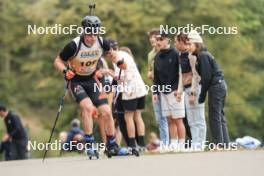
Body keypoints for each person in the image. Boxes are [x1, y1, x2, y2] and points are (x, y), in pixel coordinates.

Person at [53, 13, 125, 157]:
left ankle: (112, 146)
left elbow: (112, 53)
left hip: (92, 80)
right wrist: (65, 71)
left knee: (106, 111)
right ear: (84, 31)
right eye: (89, 34)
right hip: (77, 81)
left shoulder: (101, 42)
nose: (92, 38)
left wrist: (118, 60)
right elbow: (57, 61)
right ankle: (90, 144)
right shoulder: (74, 45)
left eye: (95, 34)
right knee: (86, 107)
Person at [187, 30, 230, 146]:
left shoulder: (203, 56)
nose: (188, 47)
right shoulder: (200, 55)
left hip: (216, 86)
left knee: (214, 116)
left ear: (197, 44)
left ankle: (219, 144)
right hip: (220, 86)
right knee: (219, 115)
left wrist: (202, 95)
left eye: (190, 44)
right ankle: (225, 144)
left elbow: (206, 78)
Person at [106, 39, 147, 154]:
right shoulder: (124, 53)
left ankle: (133, 146)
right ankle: (142, 145)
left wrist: (108, 72)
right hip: (140, 88)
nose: (108, 56)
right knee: (138, 116)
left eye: (107, 53)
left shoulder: (117, 59)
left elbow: (121, 77)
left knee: (128, 117)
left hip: (130, 90)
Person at [153, 32, 186, 150]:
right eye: (157, 40)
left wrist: (179, 89)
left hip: (175, 91)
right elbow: (155, 77)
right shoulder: (157, 57)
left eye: (161, 39)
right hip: (163, 92)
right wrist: (155, 92)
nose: (158, 42)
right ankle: (173, 144)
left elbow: (181, 73)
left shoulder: (176, 53)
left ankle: (182, 144)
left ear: (167, 40)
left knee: (178, 119)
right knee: (169, 119)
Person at [175, 32, 206, 150]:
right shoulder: (180, 55)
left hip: (196, 88)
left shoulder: (192, 56)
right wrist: (179, 91)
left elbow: (196, 75)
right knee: (191, 120)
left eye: (189, 43)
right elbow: (180, 74)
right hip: (186, 89)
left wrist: (193, 93)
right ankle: (195, 144)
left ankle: (201, 144)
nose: (188, 46)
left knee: (199, 118)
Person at [147, 28, 169, 145]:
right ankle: (165, 144)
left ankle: (172, 143)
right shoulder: (150, 54)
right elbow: (149, 71)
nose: (152, 39)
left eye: (154, 37)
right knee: (159, 118)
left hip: (167, 88)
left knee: (170, 118)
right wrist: (150, 73)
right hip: (155, 88)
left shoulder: (166, 51)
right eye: (150, 37)